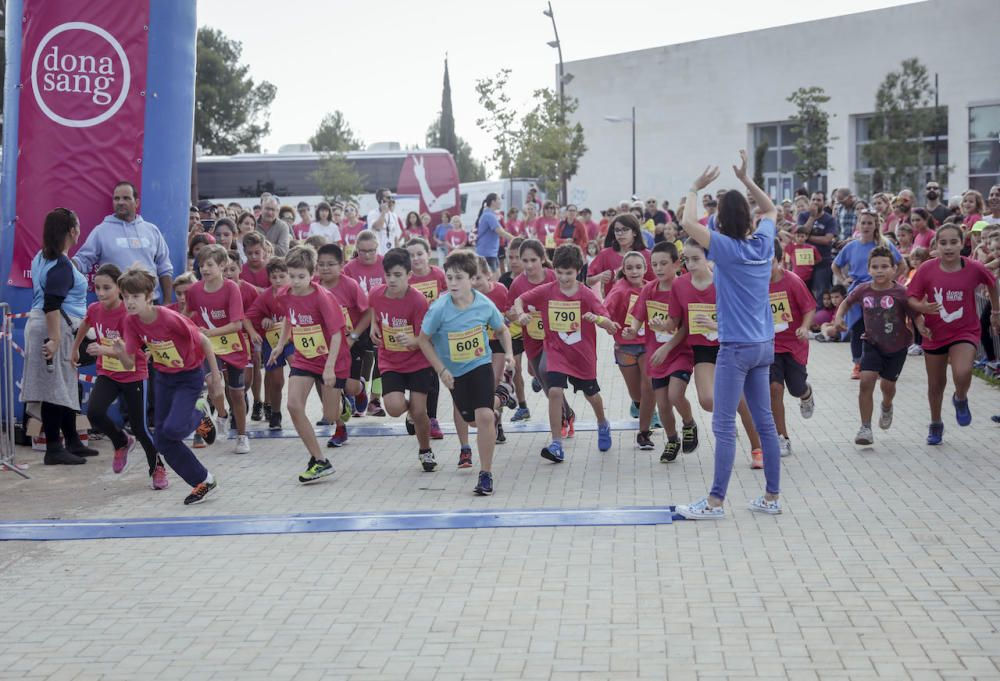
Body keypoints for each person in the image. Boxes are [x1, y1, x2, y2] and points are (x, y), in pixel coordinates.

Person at [675, 150, 783, 519]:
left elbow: (688, 222)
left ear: (720, 220)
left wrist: (694, 187)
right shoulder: (762, 243)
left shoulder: (726, 247)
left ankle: (715, 502)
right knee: (765, 423)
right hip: (763, 346)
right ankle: (771, 498)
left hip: (735, 348)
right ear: (748, 218)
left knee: (723, 426)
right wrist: (746, 180)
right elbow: (770, 212)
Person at [110, 267, 222, 505]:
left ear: (149, 296)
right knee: (162, 441)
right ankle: (203, 480)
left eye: (135, 297)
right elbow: (130, 363)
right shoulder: (131, 322)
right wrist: (120, 353)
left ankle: (198, 417)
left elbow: (203, 341)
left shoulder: (170, 319)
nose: (129, 302)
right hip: (163, 378)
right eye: (125, 297)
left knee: (173, 429)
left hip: (189, 376)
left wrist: (215, 376)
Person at [418, 250, 514, 496]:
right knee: (472, 420)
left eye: (458, 278)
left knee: (484, 418)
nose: (452, 283)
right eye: (449, 277)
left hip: (480, 365)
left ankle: (486, 474)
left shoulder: (483, 303)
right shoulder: (439, 308)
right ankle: (501, 396)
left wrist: (510, 354)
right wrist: (441, 369)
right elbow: (423, 340)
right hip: (454, 374)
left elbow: (502, 330)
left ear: (472, 279)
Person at [514, 244, 619, 463]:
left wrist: (598, 319)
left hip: (581, 355)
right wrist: (521, 313)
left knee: (591, 395)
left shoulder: (586, 294)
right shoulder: (548, 290)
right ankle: (556, 444)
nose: (563, 277)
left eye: (568, 273)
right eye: (560, 272)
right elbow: (520, 299)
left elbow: (608, 322)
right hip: (556, 352)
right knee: (554, 391)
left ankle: (602, 423)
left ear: (578, 271)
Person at [71, 263, 167, 486]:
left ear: (119, 290)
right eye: (97, 288)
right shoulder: (95, 309)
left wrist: (103, 349)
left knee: (141, 428)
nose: (101, 293)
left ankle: (157, 467)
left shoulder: (128, 315)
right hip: (108, 373)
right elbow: (86, 323)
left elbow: (130, 357)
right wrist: (75, 348)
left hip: (133, 374)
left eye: (107, 288)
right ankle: (121, 441)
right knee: (94, 413)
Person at [907, 223, 999, 444]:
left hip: (965, 330)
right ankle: (936, 423)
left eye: (953, 242)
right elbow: (910, 298)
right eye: (943, 242)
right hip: (934, 332)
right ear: (936, 245)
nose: (948, 247)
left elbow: (992, 282)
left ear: (962, 243)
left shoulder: (974, 267)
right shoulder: (927, 269)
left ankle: (960, 397)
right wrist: (921, 312)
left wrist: (995, 311)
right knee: (936, 384)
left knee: (963, 371)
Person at [22, 208, 98, 464]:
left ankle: (73, 441)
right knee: (54, 390)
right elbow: (52, 305)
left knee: (65, 386)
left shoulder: (41, 257)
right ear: (72, 231)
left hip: (46, 326)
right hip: (54, 328)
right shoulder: (62, 265)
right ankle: (54, 448)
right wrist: (54, 340)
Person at [267, 246, 347, 483]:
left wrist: (330, 367)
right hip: (304, 358)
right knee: (293, 405)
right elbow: (288, 319)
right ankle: (319, 460)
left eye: (301, 276)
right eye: (291, 276)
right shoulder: (285, 293)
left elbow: (336, 335)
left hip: (332, 358)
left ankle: (344, 404)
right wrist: (281, 345)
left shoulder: (323, 298)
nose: (295, 281)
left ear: (312, 274)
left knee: (331, 415)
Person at [832, 246, 925, 447]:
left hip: (897, 346)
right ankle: (865, 427)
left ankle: (887, 405)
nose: (880, 270)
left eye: (884, 266)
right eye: (875, 267)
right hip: (872, 343)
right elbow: (846, 303)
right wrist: (839, 318)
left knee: (888, 386)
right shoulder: (863, 289)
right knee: (866, 381)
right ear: (868, 269)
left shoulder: (901, 292)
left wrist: (922, 328)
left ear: (894, 269)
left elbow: (915, 313)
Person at [624, 241, 698, 462]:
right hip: (656, 355)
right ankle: (672, 439)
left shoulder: (685, 287)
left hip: (679, 352)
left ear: (677, 263)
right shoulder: (649, 289)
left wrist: (668, 346)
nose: (658, 268)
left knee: (675, 395)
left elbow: (686, 326)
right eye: (654, 264)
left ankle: (689, 423)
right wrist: (632, 330)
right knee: (663, 404)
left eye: (664, 263)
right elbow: (638, 315)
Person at [368, 247, 436, 468]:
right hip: (390, 361)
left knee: (419, 411)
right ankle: (413, 416)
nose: (392, 280)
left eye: (398, 275)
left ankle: (425, 450)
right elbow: (372, 310)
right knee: (395, 408)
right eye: (388, 275)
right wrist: (372, 327)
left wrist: (412, 341)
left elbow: (424, 338)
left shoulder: (417, 301)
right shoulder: (376, 293)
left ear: (409, 275)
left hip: (418, 362)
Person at [185, 245, 252, 455]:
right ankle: (221, 415)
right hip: (207, 345)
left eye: (209, 264)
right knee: (213, 383)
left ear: (222, 265)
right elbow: (187, 314)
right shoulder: (195, 290)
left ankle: (242, 436)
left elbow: (237, 325)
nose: (204, 269)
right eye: (201, 265)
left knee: (237, 394)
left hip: (231, 344)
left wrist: (209, 332)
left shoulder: (231, 288)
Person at [832, 211, 905, 379]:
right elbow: (835, 266)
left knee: (879, 329)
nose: (866, 226)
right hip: (858, 292)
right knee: (858, 328)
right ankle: (858, 364)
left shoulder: (884, 244)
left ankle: (879, 363)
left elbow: (901, 265)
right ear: (858, 225)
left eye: (869, 223)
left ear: (875, 225)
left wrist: (890, 281)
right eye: (863, 223)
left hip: (880, 293)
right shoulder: (851, 246)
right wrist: (843, 280)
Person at [73, 181, 174, 303]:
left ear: (136, 202)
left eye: (126, 198)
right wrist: (64, 263)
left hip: (149, 303)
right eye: (116, 198)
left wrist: (168, 301)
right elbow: (82, 260)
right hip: (116, 303)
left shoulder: (152, 230)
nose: (120, 202)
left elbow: (164, 268)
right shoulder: (101, 231)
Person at [315, 243, 372, 445]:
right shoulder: (313, 285)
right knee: (331, 385)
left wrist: (354, 336)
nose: (325, 268)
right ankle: (340, 429)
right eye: (321, 264)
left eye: (330, 264)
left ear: (341, 265)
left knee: (350, 386)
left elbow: (368, 312)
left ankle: (361, 389)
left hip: (350, 341)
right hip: (323, 346)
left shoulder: (349, 285)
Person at [766, 243, 816, 458]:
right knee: (774, 389)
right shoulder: (756, 284)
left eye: (769, 262)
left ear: (779, 261)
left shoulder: (793, 282)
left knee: (796, 388)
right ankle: (782, 437)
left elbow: (809, 308)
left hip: (794, 344)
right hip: (769, 345)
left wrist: (804, 327)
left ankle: (806, 394)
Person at [605, 252, 658, 449]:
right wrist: (609, 324)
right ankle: (644, 408)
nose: (634, 271)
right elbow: (604, 312)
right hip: (625, 347)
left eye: (638, 267)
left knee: (649, 386)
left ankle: (644, 433)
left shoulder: (652, 288)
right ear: (624, 271)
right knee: (637, 395)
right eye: (629, 268)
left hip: (648, 345)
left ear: (645, 269)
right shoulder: (619, 290)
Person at [405, 238, 447, 439]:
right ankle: (414, 411)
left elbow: (448, 296)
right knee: (416, 376)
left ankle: (432, 418)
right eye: (411, 255)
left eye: (419, 254)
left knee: (432, 375)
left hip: (434, 334)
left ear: (428, 254)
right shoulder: (406, 279)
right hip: (413, 335)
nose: (416, 259)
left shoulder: (438, 274)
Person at [344, 230, 387, 416]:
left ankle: (375, 399)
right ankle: (358, 391)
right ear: (357, 250)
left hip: (382, 320)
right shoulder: (350, 268)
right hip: (358, 321)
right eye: (363, 251)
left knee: (381, 361)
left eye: (372, 250)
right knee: (362, 360)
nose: (368, 255)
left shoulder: (385, 263)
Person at [247, 257, 293, 431]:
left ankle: (297, 400)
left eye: (282, 276)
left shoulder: (294, 292)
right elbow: (247, 317)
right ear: (269, 278)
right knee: (276, 381)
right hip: (271, 341)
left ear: (289, 275)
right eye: (274, 277)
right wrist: (254, 330)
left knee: (297, 365)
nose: (279, 281)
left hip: (291, 340)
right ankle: (275, 413)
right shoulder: (266, 296)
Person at [497, 237, 530, 423]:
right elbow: (501, 307)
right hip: (514, 333)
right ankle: (523, 407)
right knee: (515, 369)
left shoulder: (532, 279)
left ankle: (538, 378)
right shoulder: (503, 280)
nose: (514, 261)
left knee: (534, 371)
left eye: (518, 257)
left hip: (533, 332)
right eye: (511, 257)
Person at [585, 214, 653, 295]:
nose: (620, 233)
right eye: (617, 230)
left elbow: (656, 283)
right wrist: (599, 277)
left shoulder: (648, 255)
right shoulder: (605, 254)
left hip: (641, 303)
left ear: (634, 232)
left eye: (625, 229)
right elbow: (587, 281)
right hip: (612, 304)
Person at [798, 191, 838, 305]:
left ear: (824, 203)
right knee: (804, 291)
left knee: (822, 292)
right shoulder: (803, 216)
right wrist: (812, 217)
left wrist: (807, 237)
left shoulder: (829, 219)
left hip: (823, 261)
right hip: (804, 261)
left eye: (818, 200)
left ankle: (821, 317)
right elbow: (800, 234)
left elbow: (827, 240)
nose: (815, 202)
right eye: (813, 199)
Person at [474, 193, 516, 272]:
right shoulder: (489, 215)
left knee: (496, 278)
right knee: (492, 280)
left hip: (489, 252)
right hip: (487, 253)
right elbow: (500, 232)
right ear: (493, 202)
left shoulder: (489, 214)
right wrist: (516, 239)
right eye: (499, 199)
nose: (500, 201)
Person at [366, 189, 404, 255]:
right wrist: (383, 212)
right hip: (377, 253)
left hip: (391, 253)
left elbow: (396, 237)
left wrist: (399, 254)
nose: (391, 200)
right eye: (388, 197)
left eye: (392, 197)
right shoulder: (373, 213)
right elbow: (378, 227)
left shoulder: (393, 215)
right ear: (380, 199)